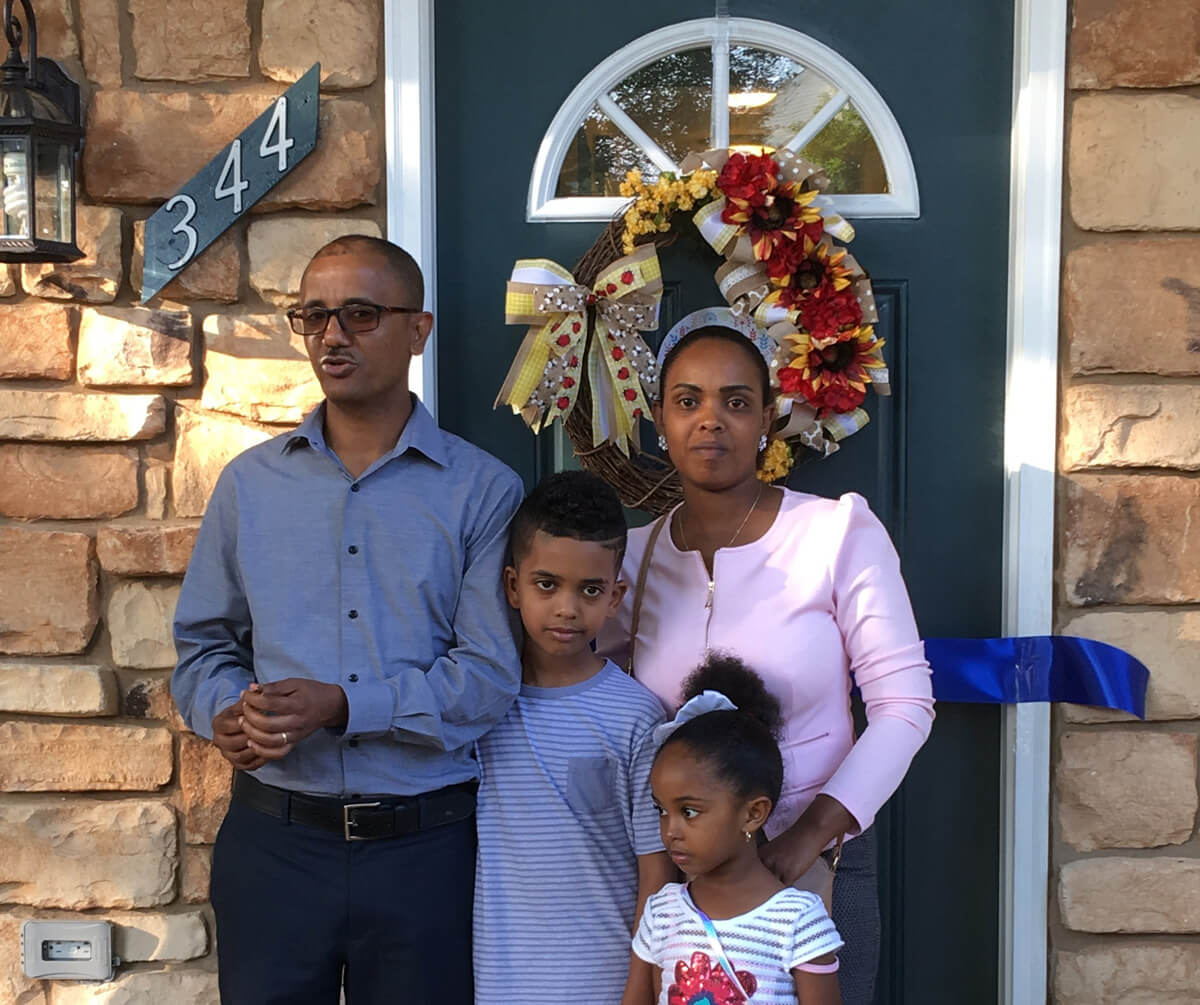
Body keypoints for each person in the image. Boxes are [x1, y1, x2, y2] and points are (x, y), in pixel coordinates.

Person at [171, 235, 524, 1005]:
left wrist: (343, 704)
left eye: (360, 314)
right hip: (274, 845)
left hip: (424, 852)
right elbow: (202, 645)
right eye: (314, 315)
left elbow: (488, 677)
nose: (332, 335)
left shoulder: (482, 490)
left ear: (418, 330)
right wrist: (224, 711)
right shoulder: (249, 485)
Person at [598, 324, 935, 1004]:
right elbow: (577, 684)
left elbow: (904, 706)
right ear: (659, 419)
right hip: (684, 881)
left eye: (736, 401)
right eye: (687, 400)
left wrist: (807, 836)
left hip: (817, 865)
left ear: (767, 419)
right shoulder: (630, 560)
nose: (710, 420)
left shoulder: (834, 534)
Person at [473, 470, 674, 1005]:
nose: (567, 608)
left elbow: (656, 870)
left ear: (615, 596)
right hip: (500, 986)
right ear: (512, 585)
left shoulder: (637, 717)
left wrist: (639, 988)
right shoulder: (478, 706)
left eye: (589, 590)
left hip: (607, 984)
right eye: (547, 584)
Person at [632, 653, 843, 1005]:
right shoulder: (662, 914)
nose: (670, 830)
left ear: (753, 814)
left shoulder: (797, 921)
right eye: (662, 811)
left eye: (689, 811)